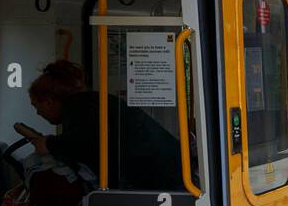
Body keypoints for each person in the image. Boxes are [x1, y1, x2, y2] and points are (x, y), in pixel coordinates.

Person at [23, 60, 183, 191]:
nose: (38, 113)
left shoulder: (77, 106)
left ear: (48, 101)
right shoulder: (91, 102)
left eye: (36, 106)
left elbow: (86, 141)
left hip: (160, 181)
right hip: (168, 173)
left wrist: (49, 144)